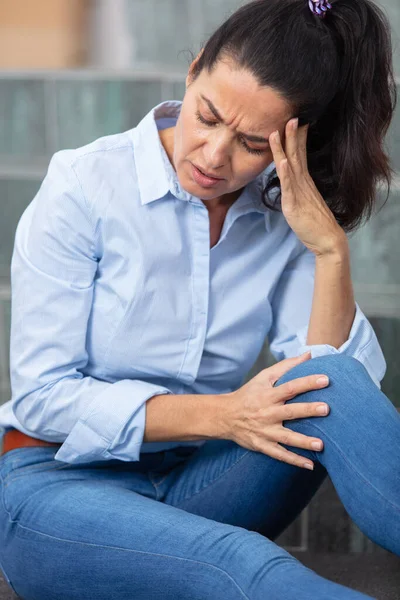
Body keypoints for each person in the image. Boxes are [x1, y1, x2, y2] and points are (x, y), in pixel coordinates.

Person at [0, 0, 398, 597]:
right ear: (191, 76)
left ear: (292, 142)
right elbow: (42, 396)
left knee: (331, 381)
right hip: (58, 485)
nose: (214, 155)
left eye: (252, 143)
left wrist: (329, 252)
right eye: (207, 116)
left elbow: (341, 387)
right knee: (239, 562)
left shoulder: (280, 212)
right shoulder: (83, 186)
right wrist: (226, 415)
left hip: (204, 481)